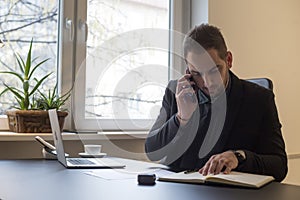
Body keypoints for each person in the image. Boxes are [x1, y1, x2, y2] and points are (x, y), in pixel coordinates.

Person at [145, 24, 287, 182]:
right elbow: (153, 152)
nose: (207, 82)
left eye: (214, 70)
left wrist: (238, 157)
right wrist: (181, 118)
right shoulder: (176, 92)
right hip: (179, 189)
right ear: (188, 71)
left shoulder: (259, 99)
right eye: (197, 73)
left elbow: (279, 166)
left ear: (229, 60)